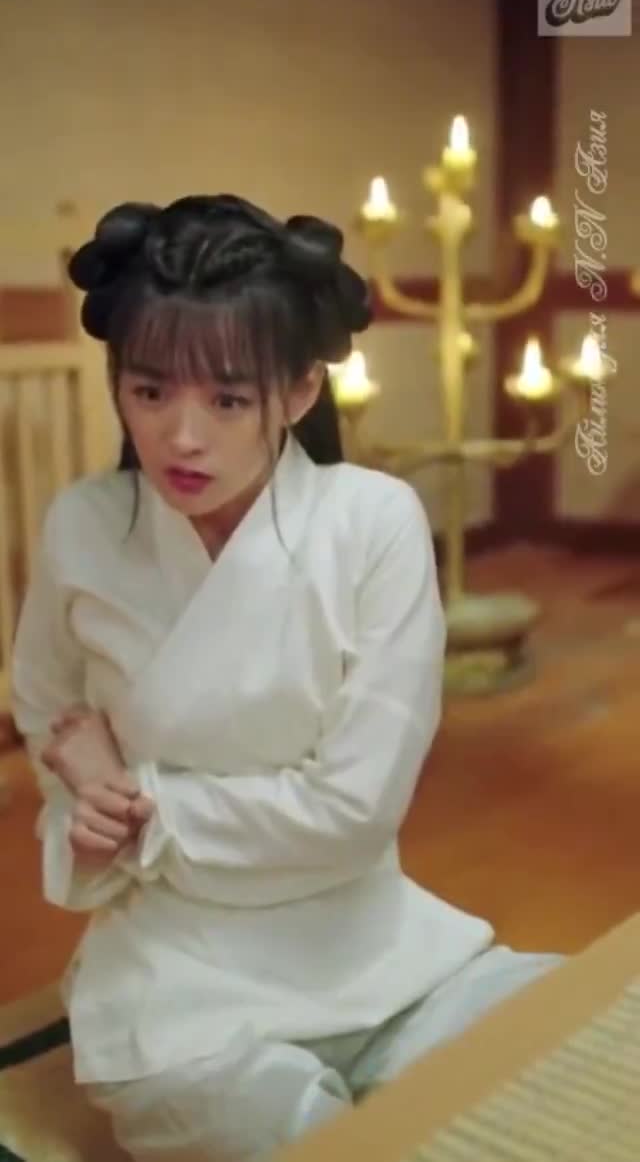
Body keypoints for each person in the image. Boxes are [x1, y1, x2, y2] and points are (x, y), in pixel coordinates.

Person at [11, 194, 561, 1162]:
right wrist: (85, 804)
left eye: (227, 399)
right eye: (149, 390)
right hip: (177, 984)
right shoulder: (85, 523)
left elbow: (353, 808)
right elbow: (49, 705)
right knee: (289, 1134)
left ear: (302, 389)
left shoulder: (373, 522)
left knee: (572, 1058)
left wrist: (137, 804)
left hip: (375, 947)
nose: (182, 436)